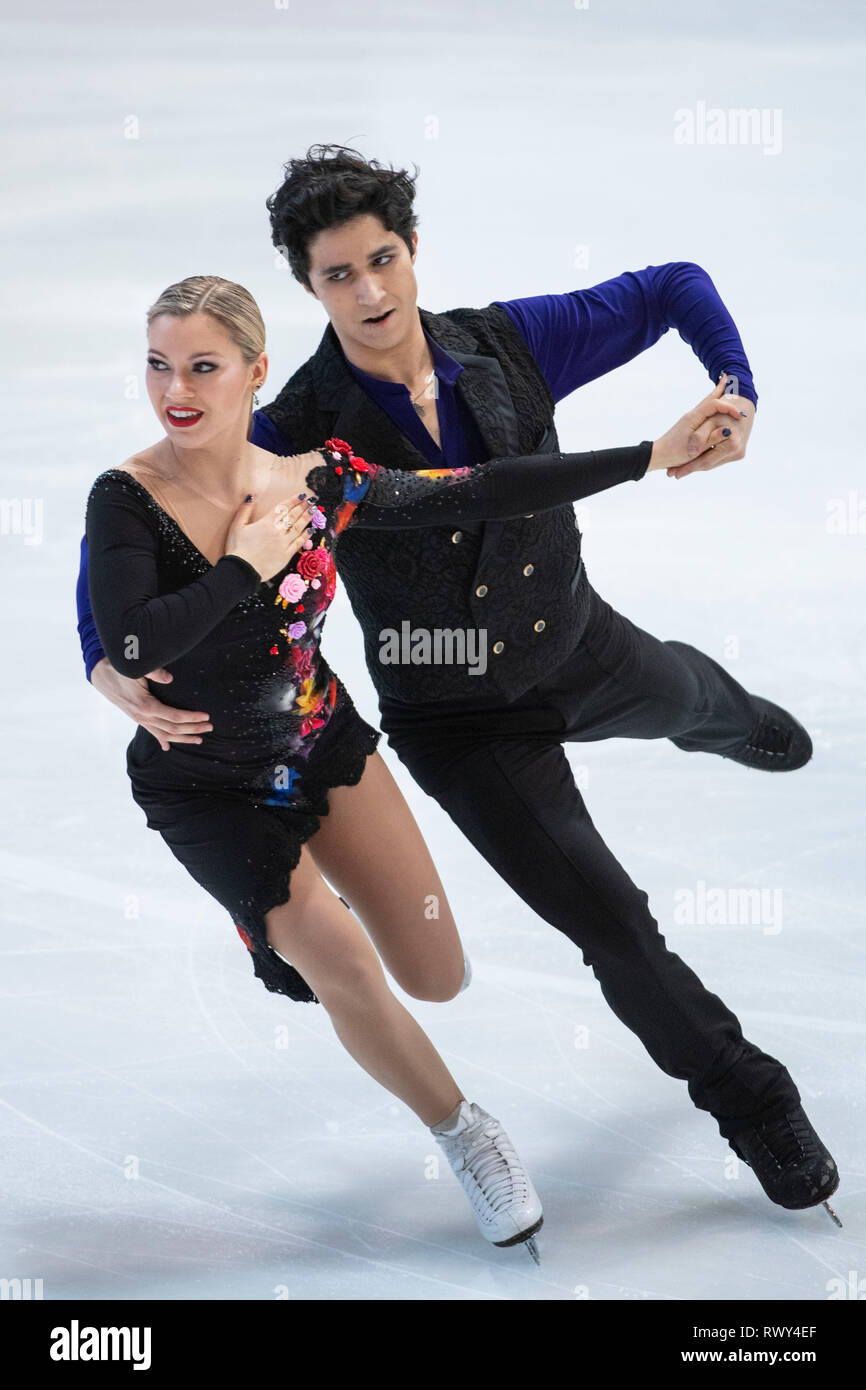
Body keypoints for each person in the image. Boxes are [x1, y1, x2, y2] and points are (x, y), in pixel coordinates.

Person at [77, 145, 839, 1223]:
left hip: (580, 643)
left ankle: (721, 719)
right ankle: (750, 1098)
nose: (370, 291)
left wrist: (734, 393)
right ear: (306, 287)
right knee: (611, 923)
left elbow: (674, 284)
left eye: (381, 259)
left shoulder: (509, 342)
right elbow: (138, 528)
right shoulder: (295, 428)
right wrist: (102, 659)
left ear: (413, 248)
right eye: (338, 275)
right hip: (462, 716)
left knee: (697, 701)